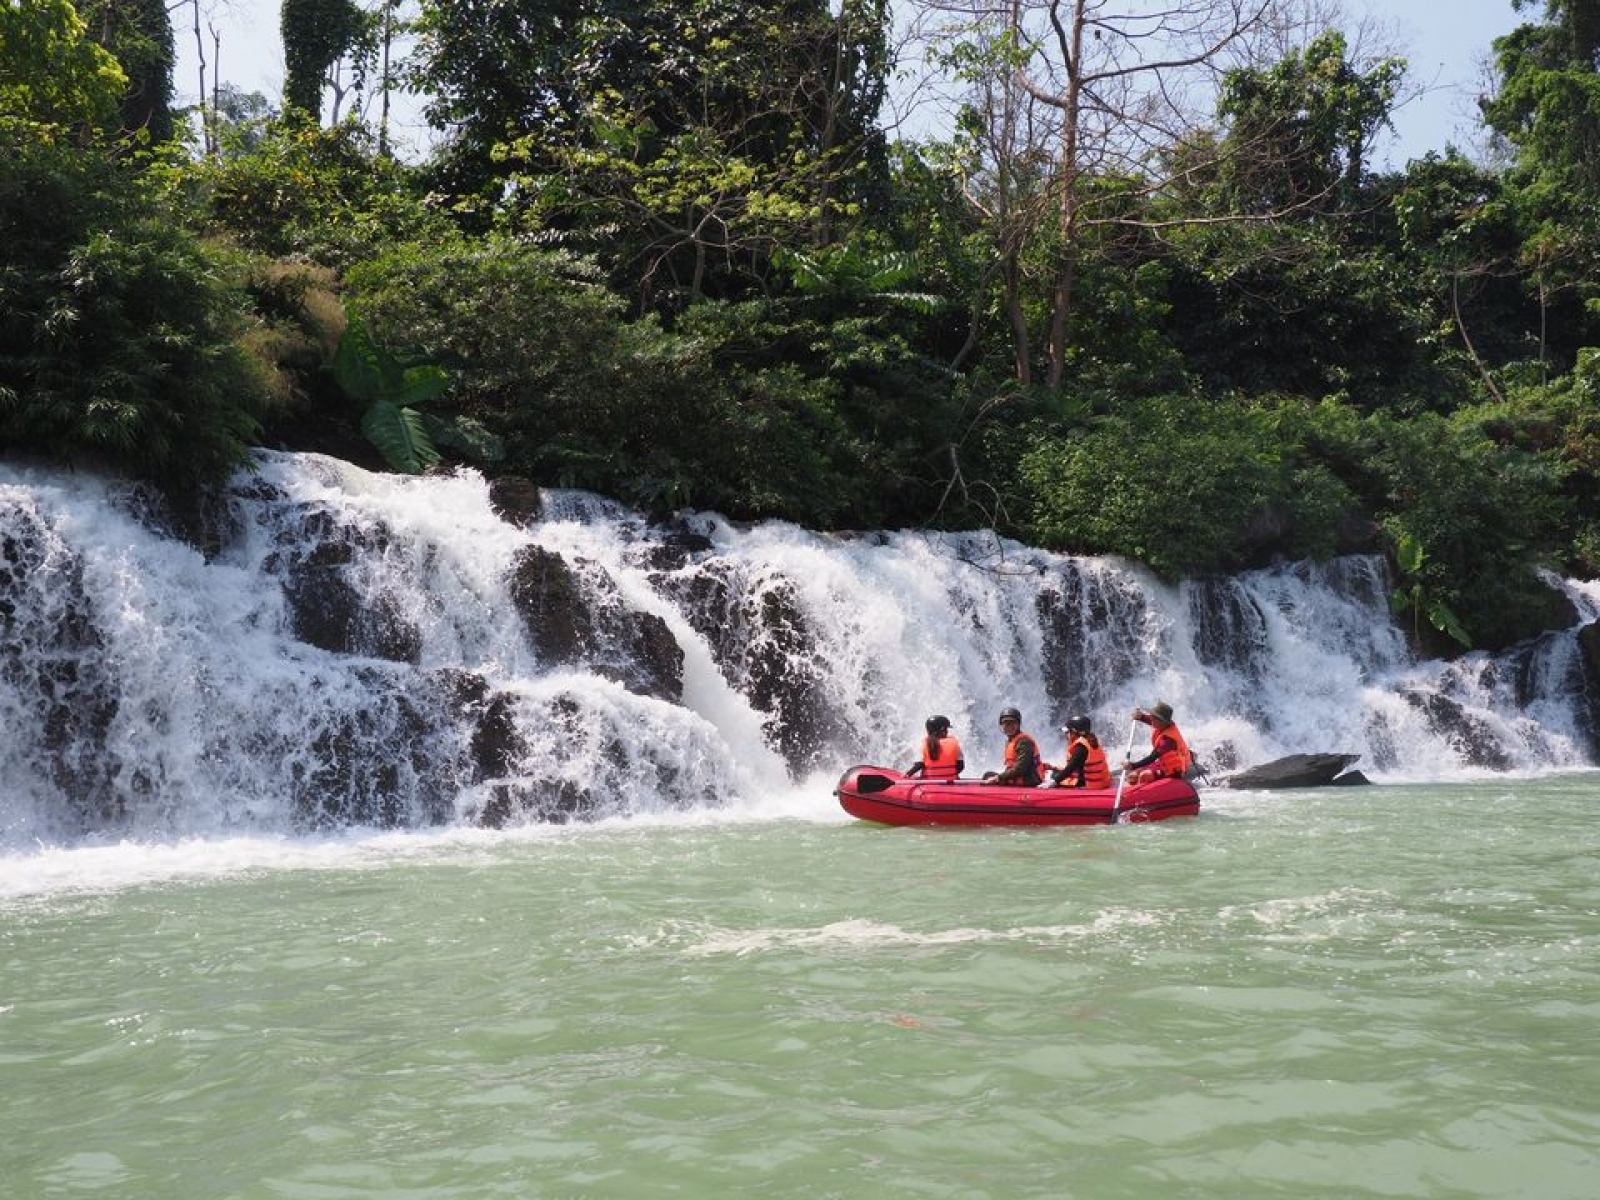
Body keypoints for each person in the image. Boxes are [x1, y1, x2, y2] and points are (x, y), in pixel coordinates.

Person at [1122, 701, 1192, 785]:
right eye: (1152, 716)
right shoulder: (1161, 725)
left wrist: (1133, 765)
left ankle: (1143, 795)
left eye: (1154, 718)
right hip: (1163, 763)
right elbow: (1149, 720)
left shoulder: (1168, 741)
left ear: (1163, 722)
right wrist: (1141, 717)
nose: (1151, 719)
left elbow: (1152, 757)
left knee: (1145, 776)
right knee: (1132, 777)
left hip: (1174, 770)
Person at [1039, 714, 1112, 789]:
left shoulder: (1081, 748)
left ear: (1074, 732)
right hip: (1102, 782)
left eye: (1067, 732)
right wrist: (1054, 768)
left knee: (1053, 775)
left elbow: (1070, 769)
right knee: (1056, 771)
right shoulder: (1091, 740)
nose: (1066, 735)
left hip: (1087, 784)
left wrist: (1052, 782)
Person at [981, 706, 1043, 787]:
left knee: (990, 777)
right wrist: (999, 777)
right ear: (1002, 725)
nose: (1009, 726)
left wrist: (999, 777)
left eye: (1012, 723)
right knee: (988, 775)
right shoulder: (1011, 741)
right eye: (1006, 723)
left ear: (1018, 724)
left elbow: (1020, 768)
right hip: (1017, 780)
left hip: (1028, 782)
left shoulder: (1024, 742)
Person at [905, 715, 964, 780]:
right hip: (950, 780)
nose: (947, 731)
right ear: (942, 730)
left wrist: (908, 774)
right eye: (946, 729)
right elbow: (961, 766)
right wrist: (947, 775)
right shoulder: (954, 743)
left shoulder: (924, 745)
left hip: (930, 782)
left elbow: (919, 765)